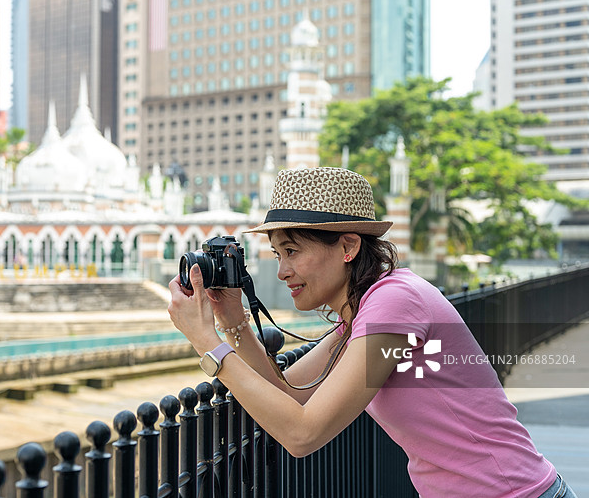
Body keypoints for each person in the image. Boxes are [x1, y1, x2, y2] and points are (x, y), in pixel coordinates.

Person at [168, 167, 575, 498]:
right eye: (277, 254)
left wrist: (208, 343)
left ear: (348, 247)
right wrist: (233, 320)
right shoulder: (365, 311)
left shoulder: (395, 304)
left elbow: (302, 433)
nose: (281, 270)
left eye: (292, 251)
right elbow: (289, 392)